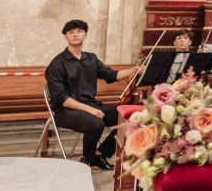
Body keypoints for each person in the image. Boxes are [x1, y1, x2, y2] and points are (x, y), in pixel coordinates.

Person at [46, 20, 141, 170]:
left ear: (85, 34)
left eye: (79, 31)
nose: (75, 34)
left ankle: (100, 153)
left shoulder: (91, 58)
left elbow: (111, 75)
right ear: (66, 37)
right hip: (65, 111)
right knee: (96, 123)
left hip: (91, 105)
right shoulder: (57, 64)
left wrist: (133, 70)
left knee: (132, 117)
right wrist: (89, 109)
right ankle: (88, 160)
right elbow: (60, 98)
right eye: (71, 32)